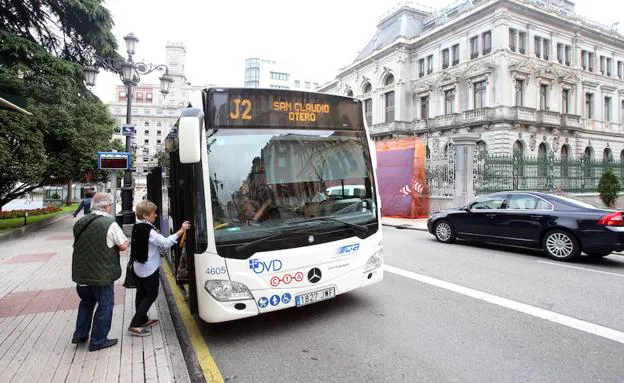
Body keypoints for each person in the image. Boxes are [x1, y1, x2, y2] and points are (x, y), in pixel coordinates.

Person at [71, 192, 129, 351]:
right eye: (111, 205)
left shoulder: (80, 222)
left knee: (86, 303)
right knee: (105, 305)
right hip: (101, 275)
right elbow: (123, 245)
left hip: (82, 273)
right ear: (107, 206)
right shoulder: (110, 224)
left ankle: (80, 334)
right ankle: (98, 340)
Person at [128, 200, 190, 336]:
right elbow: (166, 243)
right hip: (149, 268)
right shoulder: (149, 231)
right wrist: (182, 230)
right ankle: (135, 324)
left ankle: (143, 319)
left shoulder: (137, 226)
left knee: (141, 294)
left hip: (138, 266)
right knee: (151, 295)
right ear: (145, 215)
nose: (155, 215)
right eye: (153, 213)